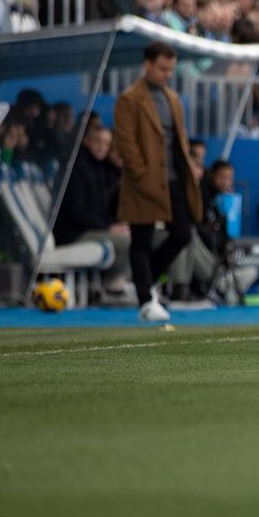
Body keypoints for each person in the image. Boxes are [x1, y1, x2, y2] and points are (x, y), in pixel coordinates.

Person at [114, 42, 202, 321]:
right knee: (141, 237)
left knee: (183, 233)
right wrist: (140, 172)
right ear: (147, 64)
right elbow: (125, 142)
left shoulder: (172, 98)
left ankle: (145, 281)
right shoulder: (130, 99)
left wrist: (189, 166)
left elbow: (180, 139)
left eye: (170, 69)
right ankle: (144, 300)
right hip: (144, 180)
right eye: (162, 68)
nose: (167, 74)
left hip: (174, 178)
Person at [53, 124, 133, 303]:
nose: (102, 148)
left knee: (129, 235)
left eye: (107, 144)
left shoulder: (96, 167)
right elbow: (75, 211)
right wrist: (108, 227)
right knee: (128, 242)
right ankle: (112, 287)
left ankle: (113, 284)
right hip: (73, 233)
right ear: (85, 140)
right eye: (98, 142)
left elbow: (100, 210)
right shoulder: (77, 167)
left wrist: (113, 225)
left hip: (90, 228)